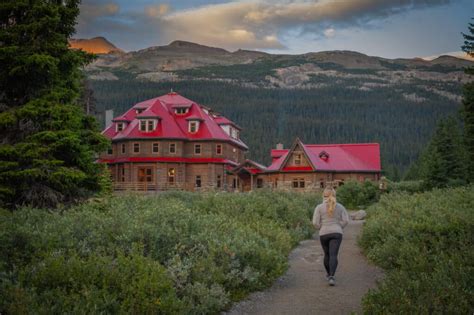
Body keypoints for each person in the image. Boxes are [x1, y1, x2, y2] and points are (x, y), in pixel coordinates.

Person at [312, 187, 350, 286]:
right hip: (337, 233)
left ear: (323, 195)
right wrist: (338, 226)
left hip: (324, 233)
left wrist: (321, 227)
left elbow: (315, 222)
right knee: (334, 255)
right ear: (334, 195)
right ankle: (332, 277)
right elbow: (346, 220)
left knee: (327, 255)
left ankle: (328, 274)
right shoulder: (340, 207)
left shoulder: (319, 207)